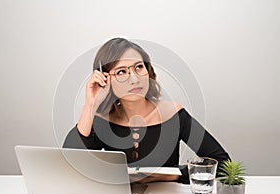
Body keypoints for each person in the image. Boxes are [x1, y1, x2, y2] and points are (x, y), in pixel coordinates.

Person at [63, 37, 231, 184]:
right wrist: (90, 105)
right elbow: (69, 166)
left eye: (139, 67)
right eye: (121, 72)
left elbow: (223, 163)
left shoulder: (173, 113)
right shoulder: (103, 120)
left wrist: (174, 175)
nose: (135, 79)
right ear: (105, 79)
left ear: (148, 71)